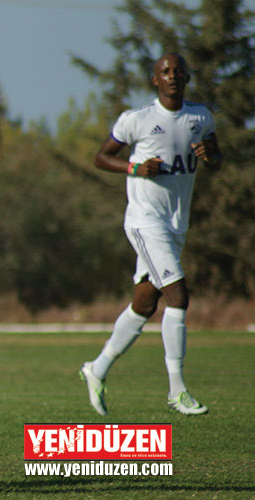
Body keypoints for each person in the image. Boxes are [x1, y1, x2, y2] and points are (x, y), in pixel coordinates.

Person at [79, 53, 222, 416]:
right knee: (178, 294)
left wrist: (211, 155)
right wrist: (135, 167)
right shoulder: (136, 120)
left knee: (144, 304)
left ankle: (97, 369)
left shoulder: (200, 117)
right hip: (145, 220)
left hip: (176, 223)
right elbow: (100, 157)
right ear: (154, 80)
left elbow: (216, 156)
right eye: (165, 72)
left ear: (187, 76)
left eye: (177, 71)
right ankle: (178, 391)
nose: (172, 76)